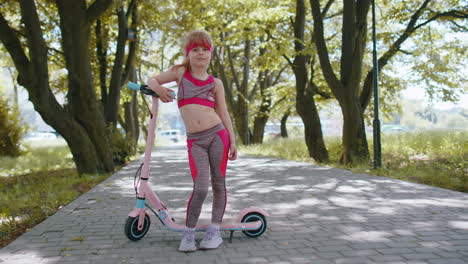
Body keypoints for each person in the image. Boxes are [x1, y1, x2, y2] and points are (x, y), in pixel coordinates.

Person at [146, 30, 237, 252]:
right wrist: (158, 89)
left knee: (218, 184)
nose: (200, 53)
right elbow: (152, 79)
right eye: (195, 49)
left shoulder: (216, 83)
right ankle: (188, 234)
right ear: (188, 54)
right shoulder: (181, 73)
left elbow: (224, 114)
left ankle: (214, 232)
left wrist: (233, 140)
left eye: (205, 49)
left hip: (218, 136)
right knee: (200, 188)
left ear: (210, 55)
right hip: (195, 141)